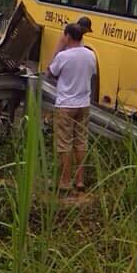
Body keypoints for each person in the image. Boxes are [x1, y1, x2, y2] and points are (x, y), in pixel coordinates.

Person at [48, 23, 97, 196]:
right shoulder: (91, 55)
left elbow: (50, 72)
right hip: (84, 104)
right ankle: (80, 180)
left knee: (64, 143)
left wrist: (57, 48)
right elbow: (92, 74)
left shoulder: (63, 56)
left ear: (67, 36)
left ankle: (64, 181)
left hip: (66, 105)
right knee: (81, 141)